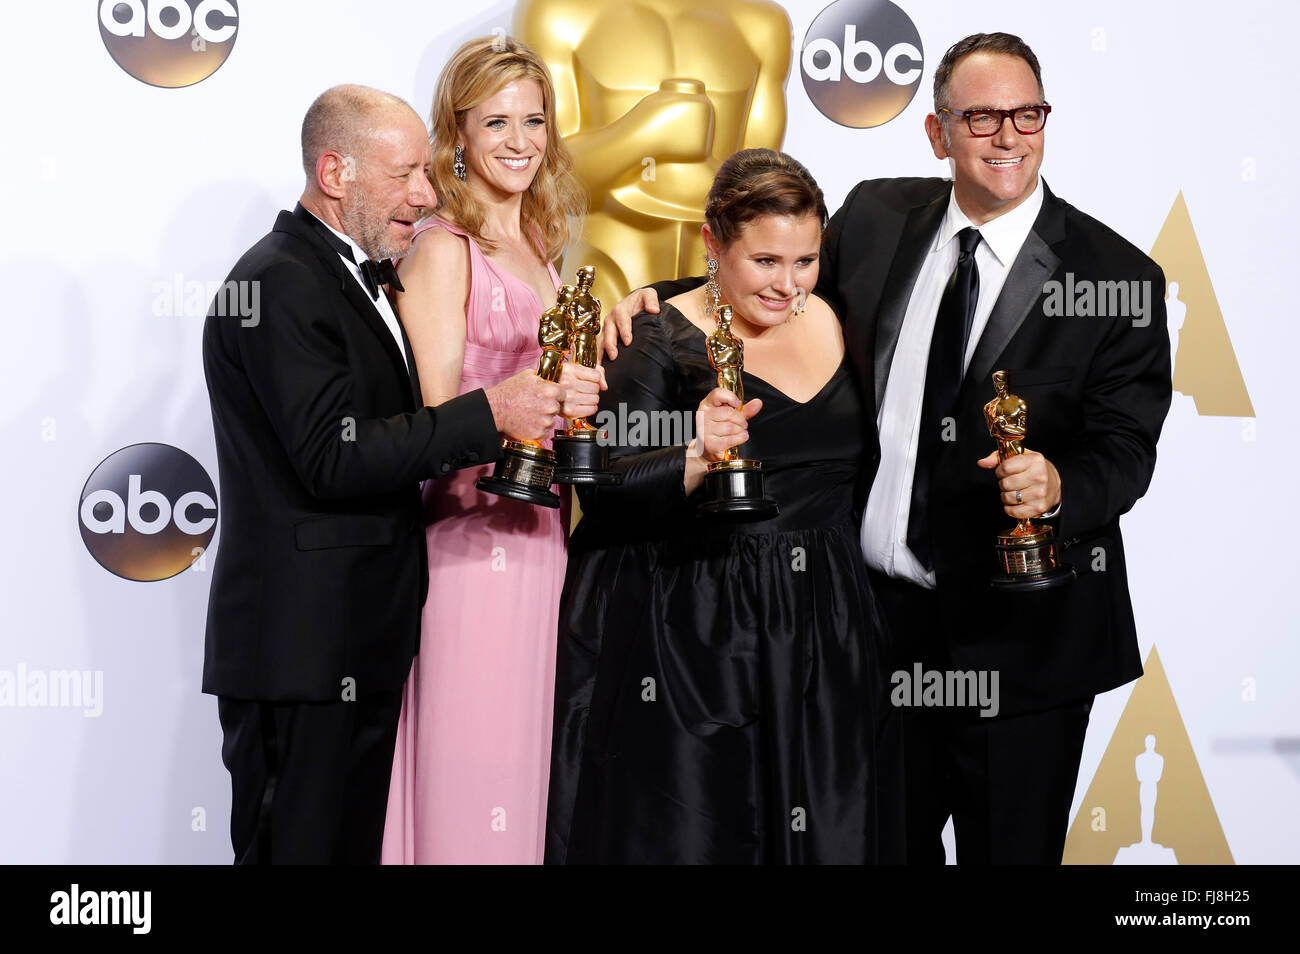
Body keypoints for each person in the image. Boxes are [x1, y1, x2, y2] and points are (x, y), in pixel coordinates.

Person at [602, 34, 1172, 864]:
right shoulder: (875, 219)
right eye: (980, 116)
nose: (1007, 136)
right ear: (939, 134)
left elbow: (1127, 451)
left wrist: (1056, 485)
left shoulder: (1117, 277)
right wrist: (662, 300)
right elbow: (770, 280)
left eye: (1027, 113)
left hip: (1022, 647)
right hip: (874, 639)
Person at [201, 84, 566, 865]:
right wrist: (490, 412)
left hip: (356, 642)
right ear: (335, 173)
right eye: (403, 176)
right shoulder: (276, 282)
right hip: (301, 652)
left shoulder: (351, 278)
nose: (425, 194)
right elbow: (334, 457)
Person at [546, 148, 903, 864]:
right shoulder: (653, 336)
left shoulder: (841, 314)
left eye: (804, 261)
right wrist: (691, 456)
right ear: (714, 243)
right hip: (701, 630)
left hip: (830, 627)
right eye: (765, 261)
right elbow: (600, 490)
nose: (788, 284)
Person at [381, 37, 595, 865]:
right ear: (457, 133)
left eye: (534, 120)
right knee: (471, 759)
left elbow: (539, 393)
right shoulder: (441, 247)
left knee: (522, 760)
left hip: (540, 535)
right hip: (466, 540)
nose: (519, 140)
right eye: (495, 121)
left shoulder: (539, 244)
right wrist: (515, 411)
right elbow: (435, 420)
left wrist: (575, 404)